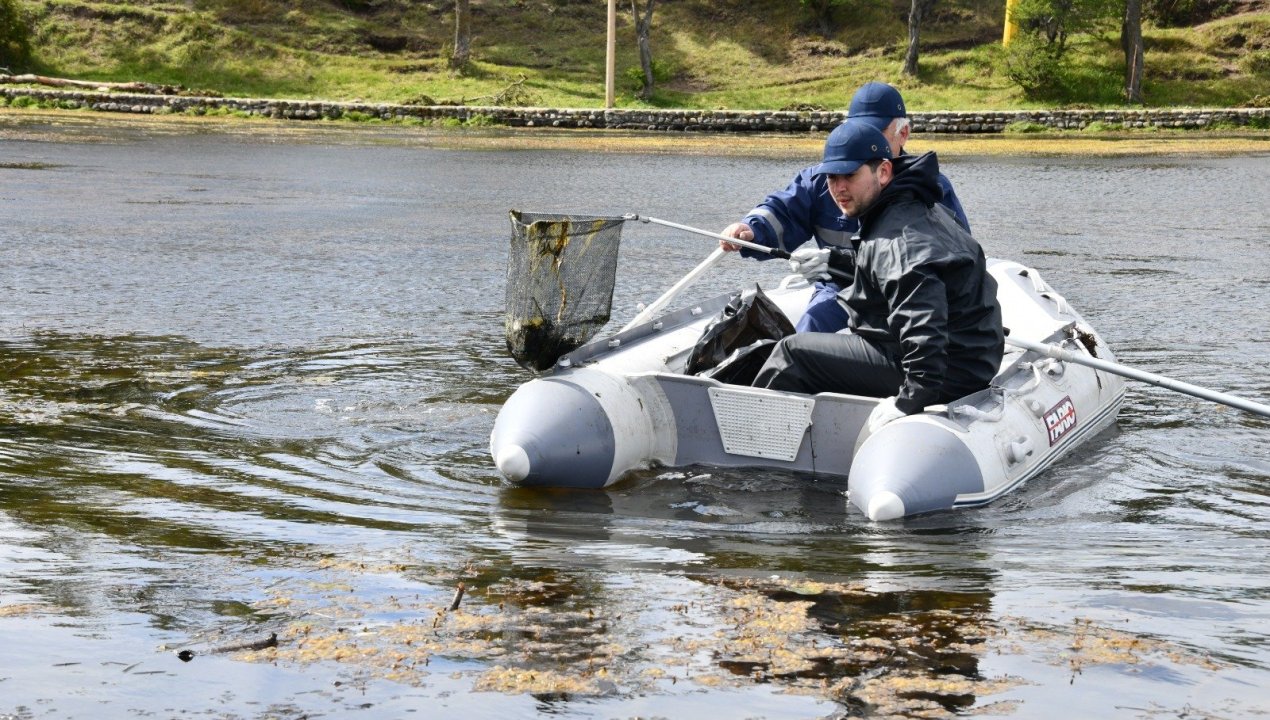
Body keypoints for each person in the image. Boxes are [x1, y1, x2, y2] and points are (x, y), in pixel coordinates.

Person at [750, 120, 1004, 435]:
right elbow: (892, 272)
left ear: (883, 172)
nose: (838, 189)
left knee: (791, 354)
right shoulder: (908, 206)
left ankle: (755, 444)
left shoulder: (897, 239)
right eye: (832, 177)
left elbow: (924, 325)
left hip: (948, 370)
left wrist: (909, 400)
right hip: (968, 357)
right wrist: (835, 261)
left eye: (850, 175)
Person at [720, 82, 968, 334]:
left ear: (903, 134)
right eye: (857, 129)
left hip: (907, 295)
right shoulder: (821, 181)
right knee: (806, 336)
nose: (863, 139)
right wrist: (750, 229)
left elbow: (952, 263)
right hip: (840, 288)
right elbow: (784, 211)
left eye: (875, 132)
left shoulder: (930, 188)